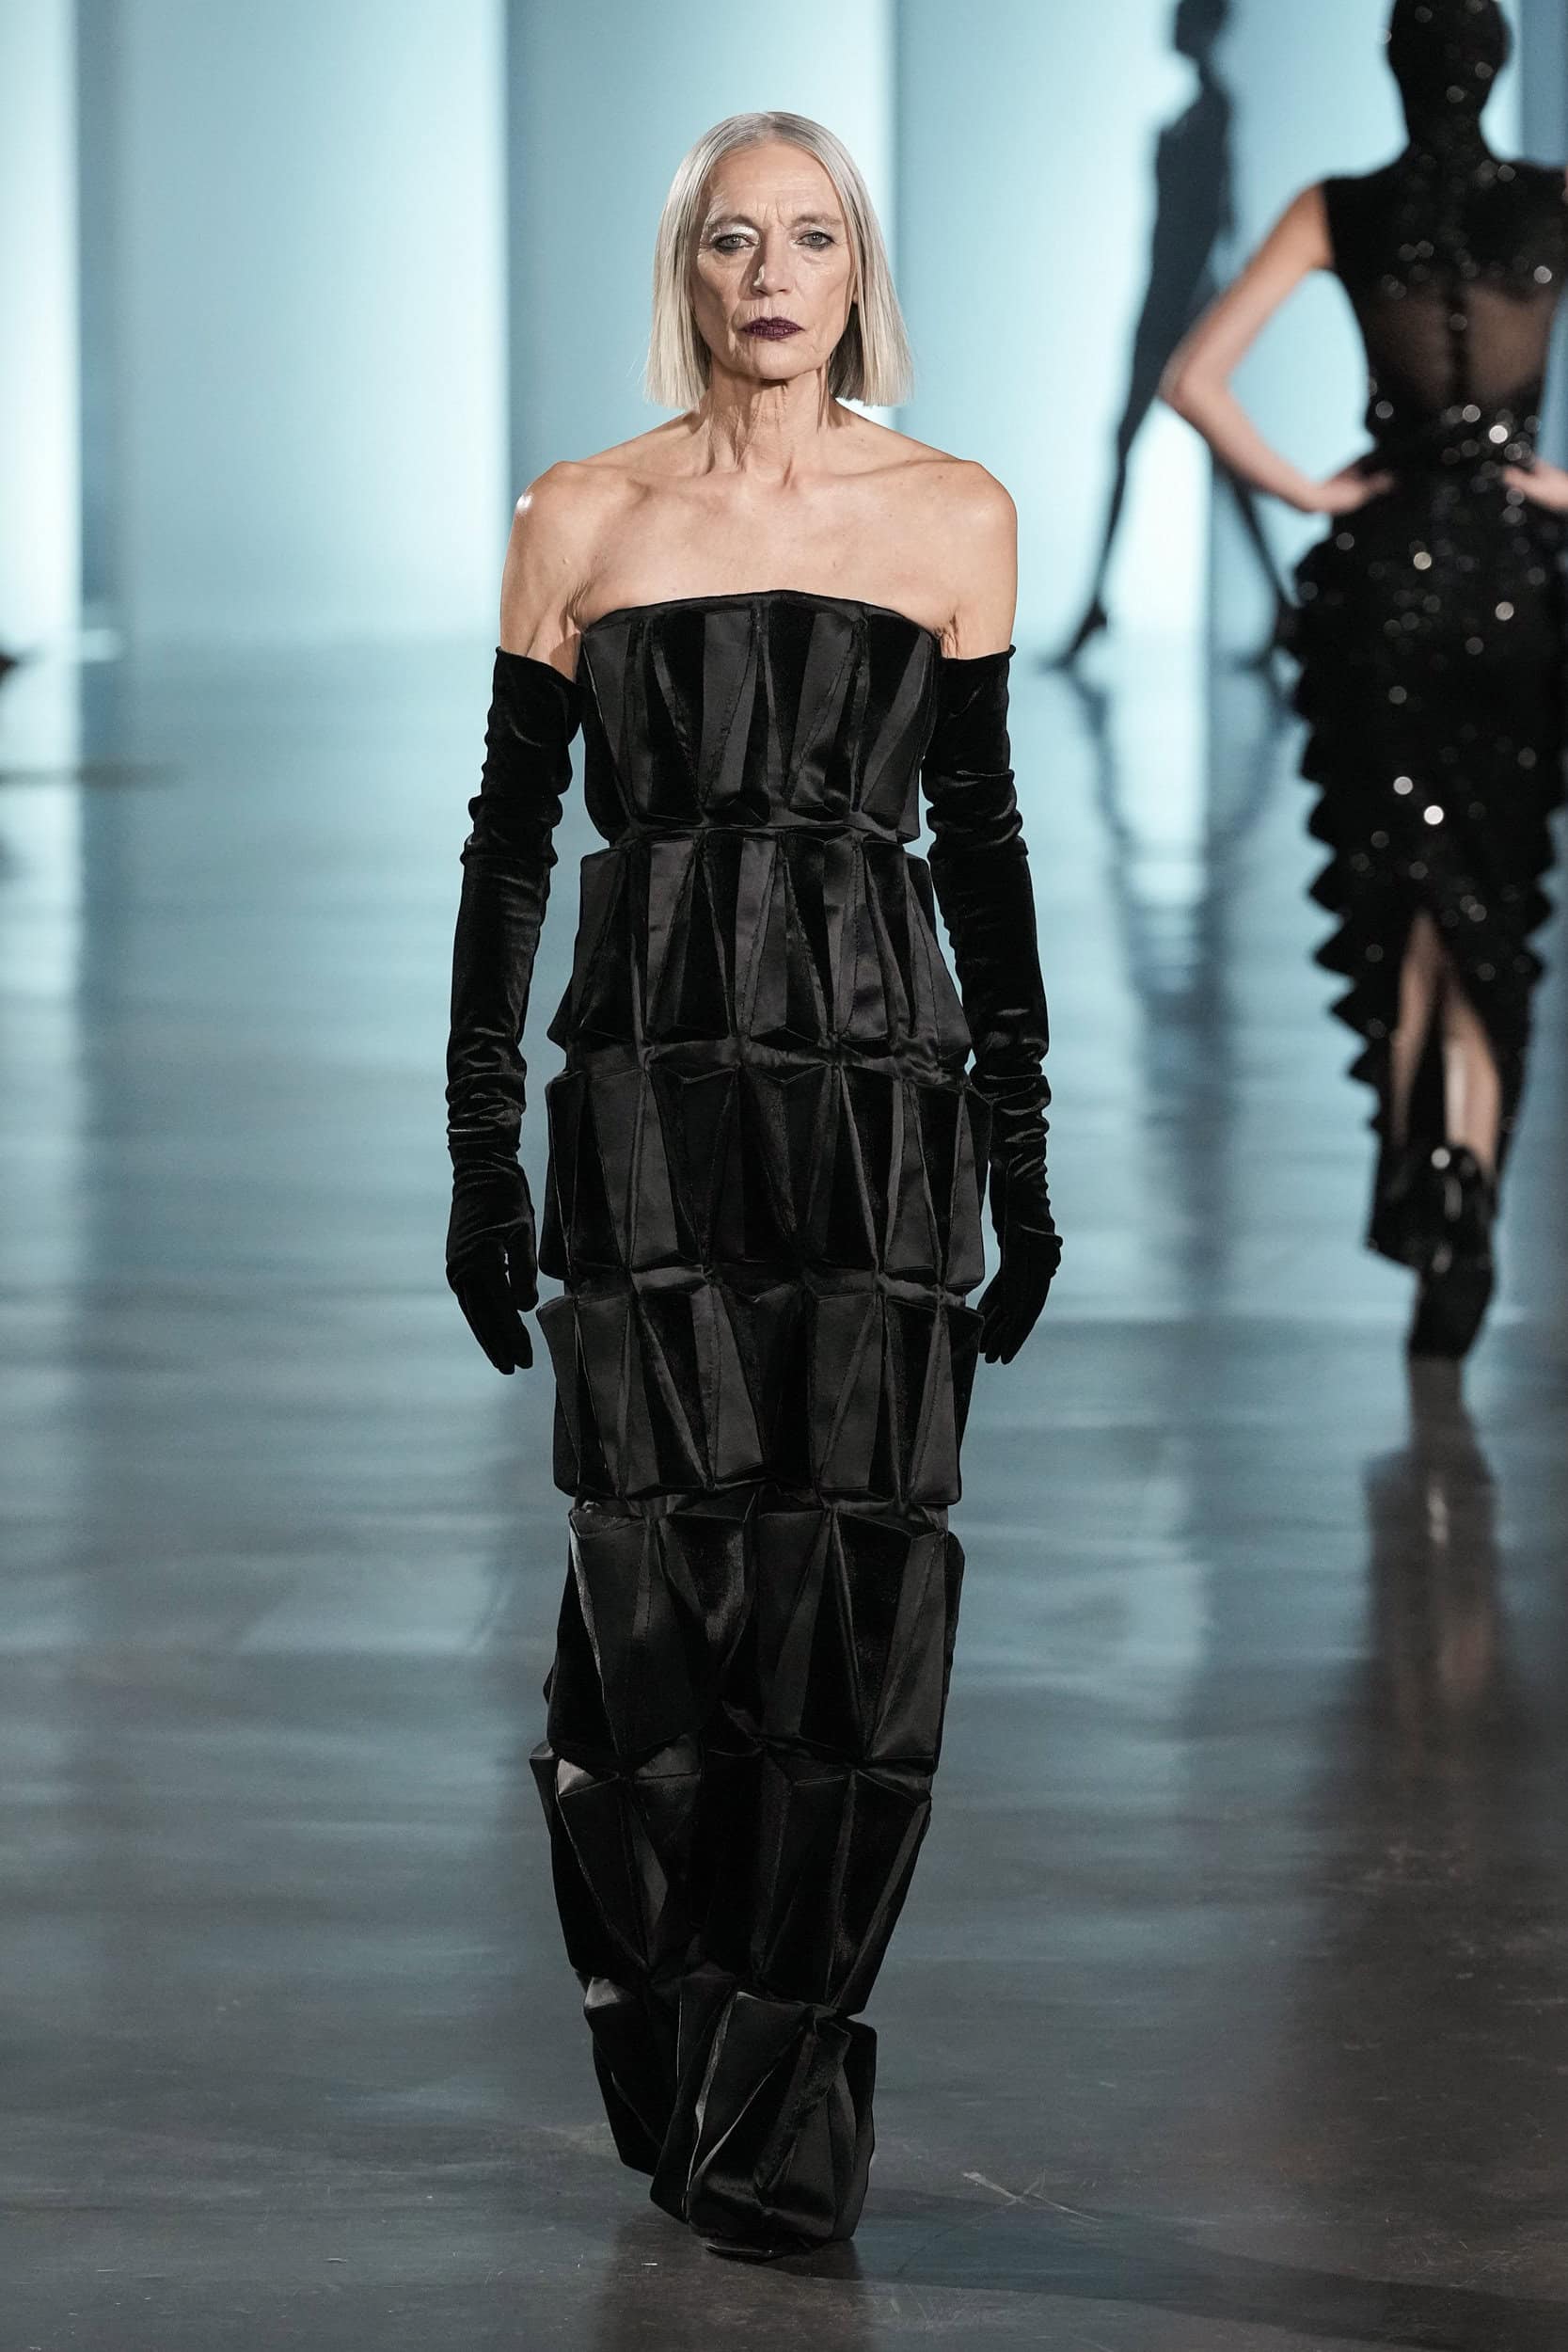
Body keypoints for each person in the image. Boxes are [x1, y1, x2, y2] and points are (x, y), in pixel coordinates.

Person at [443, 111, 1059, 2258]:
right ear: (688, 271)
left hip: (880, 1106)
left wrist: (1022, 1146)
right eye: (733, 239)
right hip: (647, 1103)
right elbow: (509, 848)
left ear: (855, 269)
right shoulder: (582, 514)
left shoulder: (954, 513)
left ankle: (782, 2099)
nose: (771, 276)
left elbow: (984, 847)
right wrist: (480, 1149)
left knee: (856, 1589)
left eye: (809, 238)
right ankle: (677, 2032)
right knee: (658, 1592)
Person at [1162, 0, 1568, 1359]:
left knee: (1409, 899)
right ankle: (1470, 1184)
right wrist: (1556, 490)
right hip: (1518, 587)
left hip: (1385, 581)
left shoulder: (1338, 207)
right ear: (1496, 67)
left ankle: (1424, 1195)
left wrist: (1316, 492)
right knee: (1491, 895)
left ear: (1395, 68)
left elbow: (1195, 380)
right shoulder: (1554, 201)